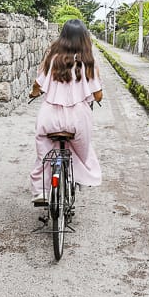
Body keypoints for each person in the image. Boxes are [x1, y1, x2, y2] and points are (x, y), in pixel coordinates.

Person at [28, 19, 103, 203]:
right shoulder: (87, 61)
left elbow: (38, 84)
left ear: (63, 37)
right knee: (81, 153)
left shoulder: (53, 58)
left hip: (49, 117)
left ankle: (41, 192)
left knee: (44, 154)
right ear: (84, 38)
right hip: (78, 119)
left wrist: (34, 93)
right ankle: (74, 178)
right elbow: (98, 94)